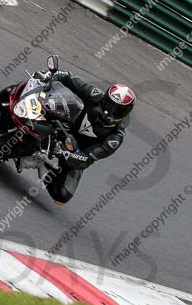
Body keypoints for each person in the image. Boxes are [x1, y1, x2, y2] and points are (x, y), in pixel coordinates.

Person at [24, 71, 135, 205]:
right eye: (109, 105)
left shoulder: (115, 138)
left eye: (118, 110)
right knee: (51, 103)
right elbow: (68, 78)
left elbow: (86, 160)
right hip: (62, 126)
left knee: (62, 196)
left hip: (75, 153)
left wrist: (62, 153)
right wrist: (50, 75)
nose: (110, 111)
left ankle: (41, 162)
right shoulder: (94, 95)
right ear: (104, 99)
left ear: (125, 113)